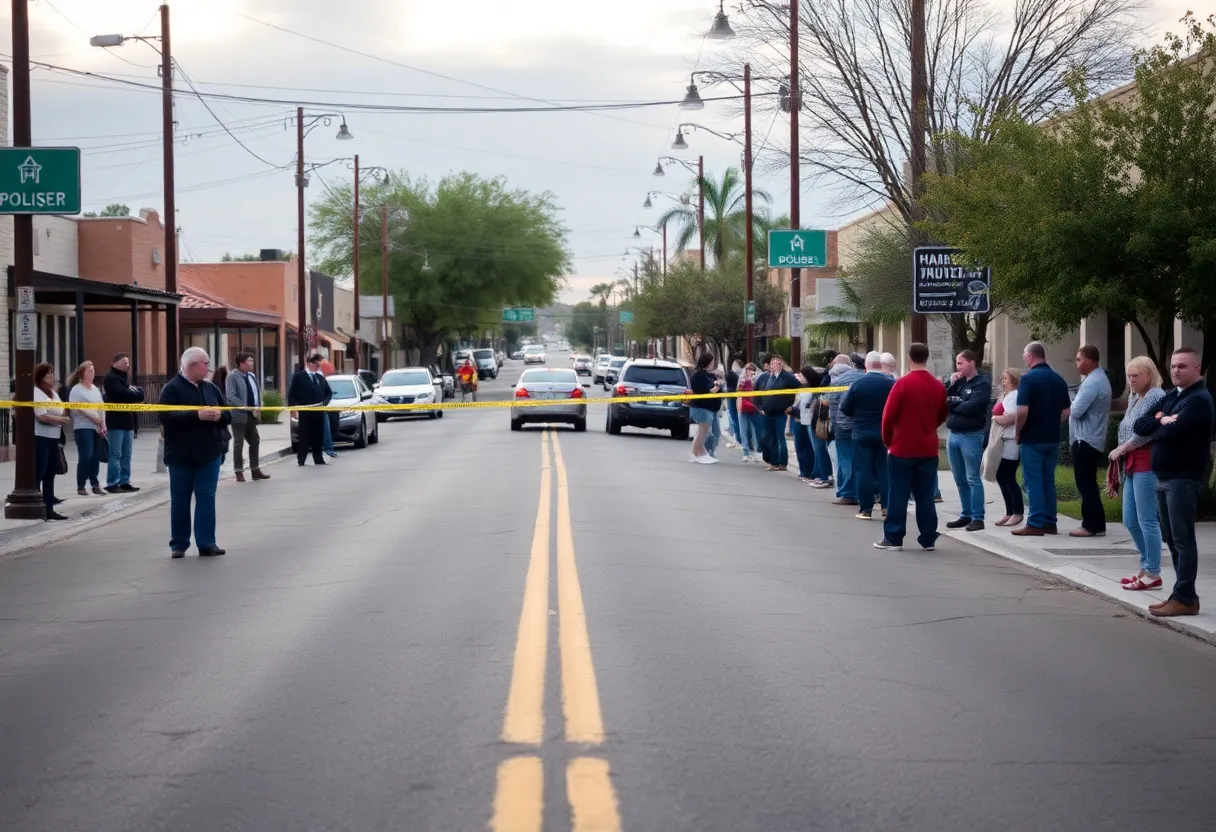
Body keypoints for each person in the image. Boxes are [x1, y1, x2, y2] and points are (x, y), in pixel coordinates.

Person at [1134, 347, 1214, 617]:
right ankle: (1184, 596)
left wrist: (1161, 423)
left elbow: (1172, 433)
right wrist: (1162, 419)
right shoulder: (1171, 396)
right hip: (1164, 477)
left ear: (1197, 368)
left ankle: (1183, 597)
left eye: (1182, 366)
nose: (1176, 370)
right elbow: (1139, 425)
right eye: (1173, 366)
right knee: (1171, 537)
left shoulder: (1199, 400)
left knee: (1182, 540)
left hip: (1183, 478)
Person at [160, 347, 232, 558]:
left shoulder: (211, 388)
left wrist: (220, 416)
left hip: (209, 452)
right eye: (205, 364)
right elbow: (166, 417)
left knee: (206, 497)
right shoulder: (172, 389)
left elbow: (227, 413)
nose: (208, 368)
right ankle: (179, 544)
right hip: (181, 454)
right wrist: (196, 415)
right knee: (180, 499)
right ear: (191, 365)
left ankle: (207, 542)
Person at [875, 343, 947, 551]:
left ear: (909, 358)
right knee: (925, 494)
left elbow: (888, 416)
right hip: (927, 446)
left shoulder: (902, 384)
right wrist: (930, 427)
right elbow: (942, 413)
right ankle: (928, 537)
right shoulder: (937, 386)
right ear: (927, 359)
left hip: (903, 447)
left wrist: (889, 440)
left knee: (898, 493)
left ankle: (894, 537)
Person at [1109, 356, 1165, 591]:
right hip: (1131, 464)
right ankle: (1146, 566)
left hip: (1147, 462)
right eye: (1129, 375)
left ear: (1149, 375)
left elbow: (1147, 431)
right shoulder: (1135, 396)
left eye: (1135, 376)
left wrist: (1123, 448)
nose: (1130, 380)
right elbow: (1126, 427)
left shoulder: (1156, 396)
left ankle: (1153, 572)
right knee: (1130, 519)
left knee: (1147, 520)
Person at [1012, 341, 1072, 536]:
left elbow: (1021, 412)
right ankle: (1049, 521)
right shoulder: (1058, 380)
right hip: (1052, 438)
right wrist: (1052, 423)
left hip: (1032, 438)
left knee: (1033, 481)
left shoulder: (1028, 380)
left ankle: (1035, 523)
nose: (1023, 359)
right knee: (1048, 480)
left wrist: (1018, 432)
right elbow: (1066, 411)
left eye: (1024, 355)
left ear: (1030, 356)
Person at [840, 351, 895, 520]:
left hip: (862, 432)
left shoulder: (857, 384)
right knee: (885, 470)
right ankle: (886, 506)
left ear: (866, 365)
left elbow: (845, 408)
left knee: (863, 471)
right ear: (881, 365)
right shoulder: (891, 383)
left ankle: (866, 509)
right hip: (885, 433)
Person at [944, 350, 993, 532]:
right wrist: (952, 384)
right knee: (959, 478)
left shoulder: (982, 383)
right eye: (957, 364)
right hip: (954, 433)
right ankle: (966, 514)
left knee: (972, 477)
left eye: (961, 363)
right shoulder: (959, 383)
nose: (958, 367)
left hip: (971, 435)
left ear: (972, 362)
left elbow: (972, 407)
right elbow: (943, 400)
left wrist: (953, 403)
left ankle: (978, 517)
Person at [1068, 344, 1113, 537]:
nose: (1077, 363)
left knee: (1086, 484)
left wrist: (1070, 400)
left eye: (1079, 359)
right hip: (1089, 439)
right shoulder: (1096, 379)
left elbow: (1076, 411)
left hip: (1086, 440)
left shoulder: (1093, 382)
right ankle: (1097, 524)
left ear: (1090, 360)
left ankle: (1091, 525)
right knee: (1088, 483)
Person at [33, 362, 71, 521]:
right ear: (41, 376)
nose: (52, 376)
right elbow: (41, 415)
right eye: (48, 374)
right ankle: (35, 506)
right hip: (41, 437)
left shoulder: (53, 393)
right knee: (39, 473)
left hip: (54, 438)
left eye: (52, 373)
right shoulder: (36, 393)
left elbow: (60, 408)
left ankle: (49, 509)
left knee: (50, 473)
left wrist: (59, 419)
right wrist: (60, 420)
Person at [102, 352, 144, 494]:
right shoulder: (111, 378)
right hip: (115, 422)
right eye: (124, 362)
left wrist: (133, 392)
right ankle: (112, 482)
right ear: (115, 363)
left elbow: (140, 394)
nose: (127, 365)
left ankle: (124, 481)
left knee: (127, 454)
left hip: (128, 421)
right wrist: (132, 392)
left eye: (127, 363)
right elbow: (120, 395)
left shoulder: (125, 377)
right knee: (115, 454)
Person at [226, 352, 271, 483]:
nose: (252, 363)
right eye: (249, 361)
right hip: (239, 416)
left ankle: (255, 469)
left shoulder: (251, 376)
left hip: (252, 415)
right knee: (238, 442)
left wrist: (258, 404)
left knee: (255, 440)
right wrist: (244, 406)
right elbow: (230, 396)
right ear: (241, 363)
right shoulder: (233, 377)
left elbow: (256, 392)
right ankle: (238, 471)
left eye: (252, 360)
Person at [827, 354, 865, 505]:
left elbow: (831, 403)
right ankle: (863, 492)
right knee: (862, 461)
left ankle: (847, 493)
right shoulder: (866, 378)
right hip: (862, 426)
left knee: (845, 460)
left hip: (842, 426)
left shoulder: (838, 380)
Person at [990, 369, 1024, 527]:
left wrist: (995, 418)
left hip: (1011, 439)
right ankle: (1009, 511)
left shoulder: (1016, 395)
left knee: (1008, 475)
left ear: (1014, 380)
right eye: (1002, 378)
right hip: (1002, 439)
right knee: (1001, 475)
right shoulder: (1006, 396)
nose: (1003, 381)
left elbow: (1009, 418)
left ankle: (1017, 512)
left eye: (1006, 378)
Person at [66, 361, 106, 497]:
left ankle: (95, 484)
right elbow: (75, 408)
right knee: (86, 456)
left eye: (93, 370)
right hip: (83, 427)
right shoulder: (77, 389)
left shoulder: (95, 389)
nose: (93, 372)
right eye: (90, 370)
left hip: (96, 427)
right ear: (82, 373)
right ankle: (81, 485)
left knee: (95, 457)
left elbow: (101, 407)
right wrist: (91, 417)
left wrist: (102, 423)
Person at [288, 354, 332, 466]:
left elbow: (328, 392)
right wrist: (294, 409)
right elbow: (292, 394)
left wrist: (324, 403)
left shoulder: (320, 378)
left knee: (318, 436)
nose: (316, 366)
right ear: (308, 364)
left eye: (317, 365)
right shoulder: (299, 377)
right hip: (305, 411)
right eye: (313, 364)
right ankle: (301, 459)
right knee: (304, 436)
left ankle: (318, 458)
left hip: (318, 411)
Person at [760, 355, 798, 472]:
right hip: (766, 413)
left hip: (780, 413)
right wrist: (760, 407)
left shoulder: (787, 377)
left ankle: (782, 463)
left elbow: (798, 388)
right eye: (773, 363)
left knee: (780, 438)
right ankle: (772, 461)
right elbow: (756, 391)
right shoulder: (764, 377)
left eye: (778, 363)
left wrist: (790, 405)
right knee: (767, 438)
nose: (775, 365)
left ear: (781, 365)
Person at [689, 352, 723, 464]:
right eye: (712, 362)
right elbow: (709, 391)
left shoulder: (708, 375)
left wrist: (716, 384)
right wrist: (717, 386)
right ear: (707, 363)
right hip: (701, 407)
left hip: (708, 408)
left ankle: (695, 454)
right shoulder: (699, 375)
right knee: (703, 432)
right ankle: (701, 454)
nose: (713, 364)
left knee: (701, 432)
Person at [792, 366, 823, 482]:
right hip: (798, 420)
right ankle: (803, 471)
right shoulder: (799, 388)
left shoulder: (815, 390)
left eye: (802, 375)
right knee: (800, 447)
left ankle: (814, 473)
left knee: (812, 448)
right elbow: (796, 403)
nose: (800, 377)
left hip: (810, 421)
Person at [736, 363, 763, 462]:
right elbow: (738, 394)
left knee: (755, 431)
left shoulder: (756, 380)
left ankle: (757, 452)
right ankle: (746, 452)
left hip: (754, 409)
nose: (749, 371)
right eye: (747, 369)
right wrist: (738, 407)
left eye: (751, 370)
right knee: (744, 431)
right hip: (743, 408)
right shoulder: (741, 380)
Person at [211, 365, 233, 468]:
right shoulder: (216, 390)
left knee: (221, 458)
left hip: (222, 430)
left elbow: (227, 415)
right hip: (218, 432)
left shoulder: (224, 390)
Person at [724, 360, 742, 447]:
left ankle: (738, 438)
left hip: (734, 398)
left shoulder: (733, 374)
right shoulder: (739, 374)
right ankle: (737, 437)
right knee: (736, 419)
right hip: (734, 397)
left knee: (735, 419)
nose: (734, 367)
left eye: (735, 365)